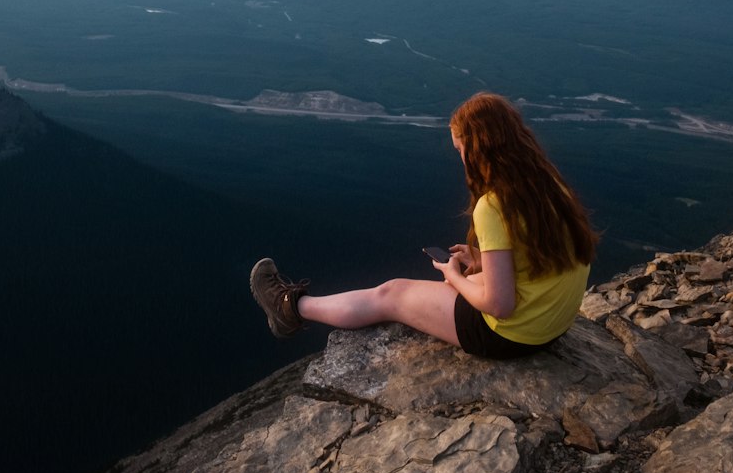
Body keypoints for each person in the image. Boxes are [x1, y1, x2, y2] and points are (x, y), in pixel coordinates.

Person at [250, 92, 596, 359]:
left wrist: (456, 277)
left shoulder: (494, 205)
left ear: (478, 150)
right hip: (553, 324)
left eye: (461, 149)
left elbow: (500, 305)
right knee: (468, 280)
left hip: (513, 336)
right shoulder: (548, 182)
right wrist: (481, 260)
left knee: (392, 293)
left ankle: (290, 309)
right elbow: (541, 249)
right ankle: (292, 307)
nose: (461, 158)